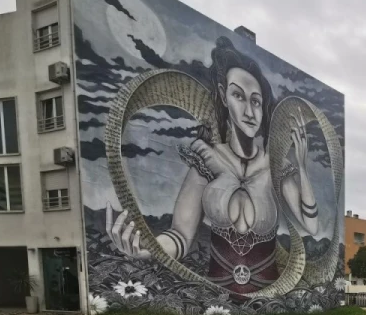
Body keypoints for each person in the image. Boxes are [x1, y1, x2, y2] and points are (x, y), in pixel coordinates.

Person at [106, 37, 318, 297]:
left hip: (270, 300)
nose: (249, 111)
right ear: (223, 96)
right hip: (217, 300)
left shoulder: (277, 166)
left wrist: (302, 169)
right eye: (238, 96)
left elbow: (311, 226)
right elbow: (180, 236)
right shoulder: (205, 159)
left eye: (256, 101)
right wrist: (148, 248)